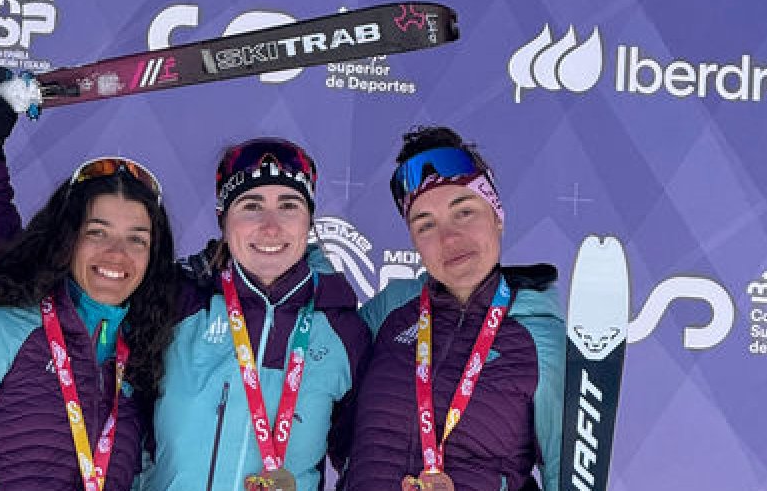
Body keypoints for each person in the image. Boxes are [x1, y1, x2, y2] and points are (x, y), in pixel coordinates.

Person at [0, 63, 180, 490]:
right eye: (96, 232)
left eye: (137, 239)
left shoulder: (143, 362)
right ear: (67, 239)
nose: (116, 254)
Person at [142, 137, 371, 491]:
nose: (270, 226)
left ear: (309, 220)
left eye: (289, 205)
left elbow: (365, 463)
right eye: (251, 206)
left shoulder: (344, 331)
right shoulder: (175, 299)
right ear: (224, 219)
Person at [342, 126, 564, 491]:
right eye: (425, 225)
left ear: (497, 215)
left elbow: (566, 475)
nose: (449, 238)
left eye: (464, 212)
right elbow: (314, 364)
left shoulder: (541, 339)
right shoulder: (389, 312)